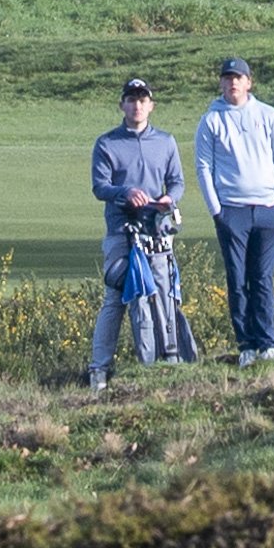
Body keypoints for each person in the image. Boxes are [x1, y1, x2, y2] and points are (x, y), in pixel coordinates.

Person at [88, 78, 186, 390]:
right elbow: (100, 187)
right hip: (121, 231)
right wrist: (125, 192)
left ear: (151, 105)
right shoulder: (107, 143)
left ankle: (165, 362)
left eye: (142, 99)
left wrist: (170, 199)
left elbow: (177, 182)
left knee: (163, 296)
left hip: (156, 231)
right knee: (116, 296)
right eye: (131, 99)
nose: (137, 105)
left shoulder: (166, 141)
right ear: (122, 105)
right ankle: (99, 370)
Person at [195, 58, 274, 367]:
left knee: (261, 277)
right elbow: (204, 167)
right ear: (221, 83)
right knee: (237, 279)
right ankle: (246, 344)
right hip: (232, 212)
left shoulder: (268, 115)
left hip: (267, 210)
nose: (233, 83)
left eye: (239, 77)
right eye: (227, 78)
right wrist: (216, 210)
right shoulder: (210, 121)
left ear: (249, 82)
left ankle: (267, 343)